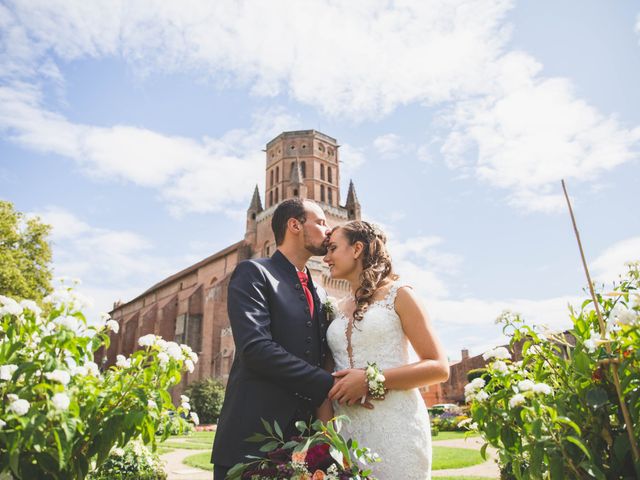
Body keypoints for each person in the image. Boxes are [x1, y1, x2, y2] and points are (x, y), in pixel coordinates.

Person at [211, 198, 337, 479]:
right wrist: (329, 384)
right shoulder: (254, 272)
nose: (328, 230)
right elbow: (255, 348)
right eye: (320, 222)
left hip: (305, 447)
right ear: (294, 225)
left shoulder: (320, 291)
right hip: (251, 441)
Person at [320, 220, 450, 480]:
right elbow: (325, 374)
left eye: (333, 248)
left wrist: (370, 380)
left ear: (357, 249)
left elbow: (438, 367)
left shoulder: (400, 295)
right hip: (344, 429)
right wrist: (327, 436)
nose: (326, 258)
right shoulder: (334, 309)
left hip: (395, 427)